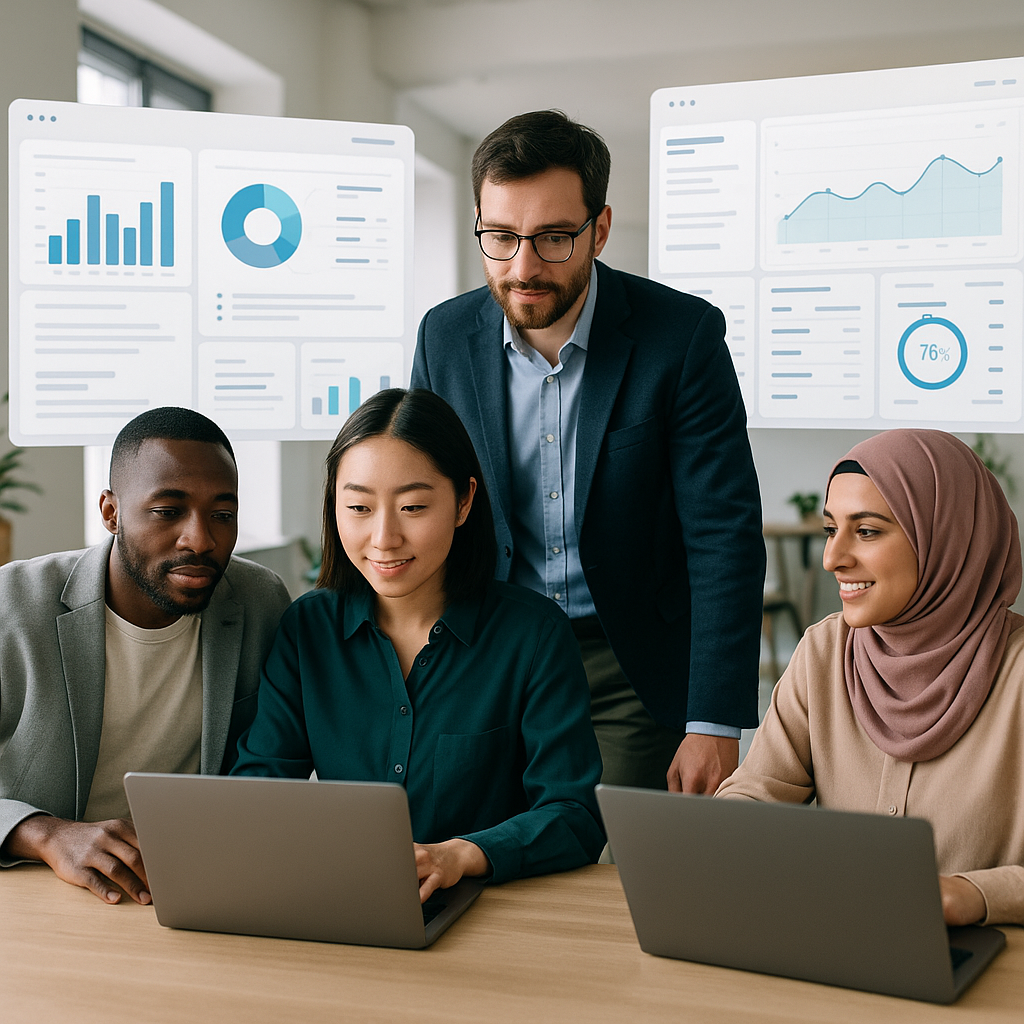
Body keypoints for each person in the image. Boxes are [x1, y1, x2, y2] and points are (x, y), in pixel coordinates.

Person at [412, 109, 765, 793]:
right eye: (500, 237)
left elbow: (722, 532)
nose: (523, 268)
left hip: (628, 661)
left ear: (599, 230)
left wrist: (713, 722)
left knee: (609, 850)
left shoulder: (680, 337)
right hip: (492, 652)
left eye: (553, 238)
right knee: (479, 841)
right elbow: (424, 502)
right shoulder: (443, 337)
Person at [232, 388, 605, 900]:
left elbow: (574, 814)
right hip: (346, 897)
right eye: (359, 507)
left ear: (464, 501)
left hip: (489, 908)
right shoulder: (308, 629)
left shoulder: (534, 634)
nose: (384, 537)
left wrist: (462, 855)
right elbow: (260, 789)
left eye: (412, 506)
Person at [718, 428, 1024, 926]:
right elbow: (756, 792)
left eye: (866, 531)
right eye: (830, 530)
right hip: (844, 939)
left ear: (945, 536)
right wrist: (727, 834)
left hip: (990, 956)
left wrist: (974, 895)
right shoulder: (824, 651)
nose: (832, 559)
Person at [0, 407, 291, 906]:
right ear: (111, 512)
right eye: (168, 511)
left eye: (222, 515)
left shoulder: (260, 601)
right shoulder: (13, 603)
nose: (200, 539)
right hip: (39, 890)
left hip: (189, 886)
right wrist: (44, 834)